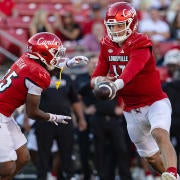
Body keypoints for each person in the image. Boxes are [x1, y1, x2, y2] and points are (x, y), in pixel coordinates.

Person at [90, 2, 178, 180]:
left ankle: (173, 172)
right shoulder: (107, 43)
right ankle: (172, 177)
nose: (116, 30)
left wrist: (115, 85)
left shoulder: (141, 42)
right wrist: (99, 81)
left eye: (120, 25)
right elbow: (97, 74)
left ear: (132, 24)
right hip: (131, 110)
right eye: (112, 26)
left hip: (154, 102)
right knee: (151, 158)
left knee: (159, 132)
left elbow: (132, 69)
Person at [0, 31, 88, 180]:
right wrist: (53, 117)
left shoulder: (27, 58)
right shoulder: (39, 75)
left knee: (22, 158)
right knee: (7, 167)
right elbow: (32, 112)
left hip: (5, 114)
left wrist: (67, 63)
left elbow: (46, 65)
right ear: (43, 53)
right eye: (55, 53)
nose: (58, 57)